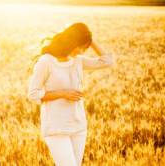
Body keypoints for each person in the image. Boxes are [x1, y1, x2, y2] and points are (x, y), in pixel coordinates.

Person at [27, 22, 115, 166]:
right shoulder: (46, 62)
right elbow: (33, 94)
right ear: (71, 41)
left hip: (78, 126)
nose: (81, 51)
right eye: (80, 46)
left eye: (84, 48)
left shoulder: (78, 61)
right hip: (56, 128)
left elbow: (107, 61)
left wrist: (90, 40)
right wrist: (62, 93)